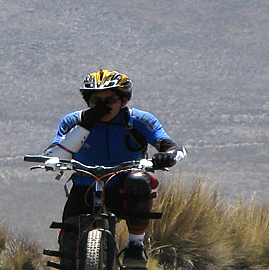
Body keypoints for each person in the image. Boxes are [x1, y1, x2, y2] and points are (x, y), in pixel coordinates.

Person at [42, 69, 186, 268]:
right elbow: (55, 156)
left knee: (138, 180)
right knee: (70, 240)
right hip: (85, 185)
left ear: (123, 100)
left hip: (123, 187)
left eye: (110, 100)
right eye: (96, 101)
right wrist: (86, 124)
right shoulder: (72, 121)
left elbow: (172, 147)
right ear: (87, 101)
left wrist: (167, 157)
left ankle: (135, 245)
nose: (103, 106)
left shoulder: (140, 120)